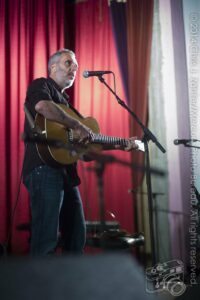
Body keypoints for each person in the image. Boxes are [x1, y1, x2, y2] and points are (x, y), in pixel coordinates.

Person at [23, 49, 138, 256]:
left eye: (75, 65)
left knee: (76, 238)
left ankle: (71, 287)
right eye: (69, 63)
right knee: (45, 241)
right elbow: (42, 106)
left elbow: (85, 153)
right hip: (44, 169)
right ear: (53, 67)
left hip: (66, 174)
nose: (75, 68)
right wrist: (77, 124)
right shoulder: (42, 84)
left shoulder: (66, 105)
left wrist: (119, 144)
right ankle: (40, 288)